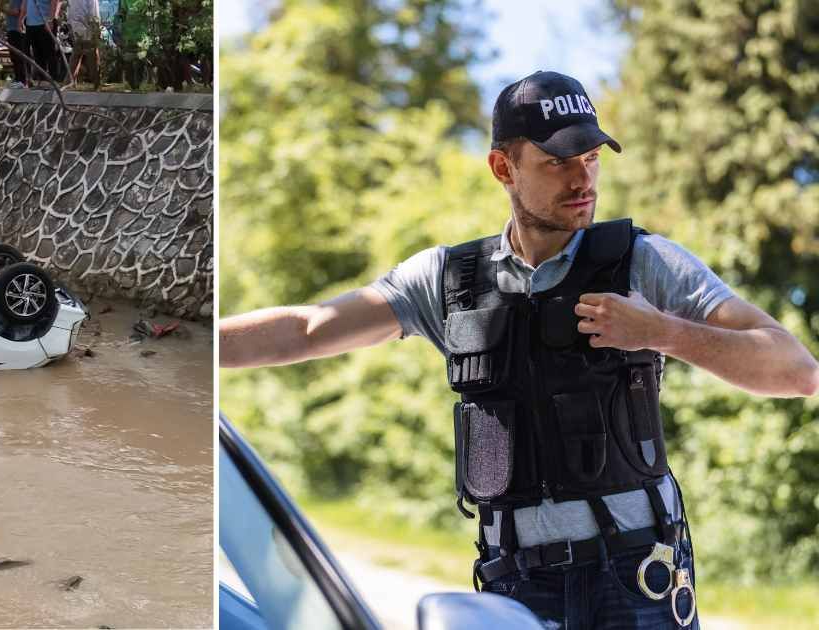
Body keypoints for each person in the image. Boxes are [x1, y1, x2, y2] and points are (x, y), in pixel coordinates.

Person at [219, 70, 819, 629]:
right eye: (558, 162)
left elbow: (795, 370)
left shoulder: (643, 261)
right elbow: (306, 328)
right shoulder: (448, 280)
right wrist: (195, 350)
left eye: (589, 158)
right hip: (514, 588)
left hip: (637, 582)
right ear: (503, 168)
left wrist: (660, 331)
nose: (583, 179)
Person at [22, 0, 61, 86]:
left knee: (49, 52)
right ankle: (42, 79)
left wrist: (51, 20)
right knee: (37, 53)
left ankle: (53, 79)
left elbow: (54, 2)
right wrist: (22, 19)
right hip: (31, 24)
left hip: (45, 23)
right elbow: (25, 4)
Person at [67, 0, 101, 90]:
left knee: (90, 57)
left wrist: (95, 29)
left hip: (86, 29)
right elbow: (70, 12)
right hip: (78, 29)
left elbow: (94, 13)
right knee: (77, 56)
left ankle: (96, 82)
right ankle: (70, 81)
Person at [4, 0, 28, 88]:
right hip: (11, 29)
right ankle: (17, 78)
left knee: (18, 55)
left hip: (17, 29)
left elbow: (17, 11)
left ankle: (22, 80)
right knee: (13, 56)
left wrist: (3, 9)